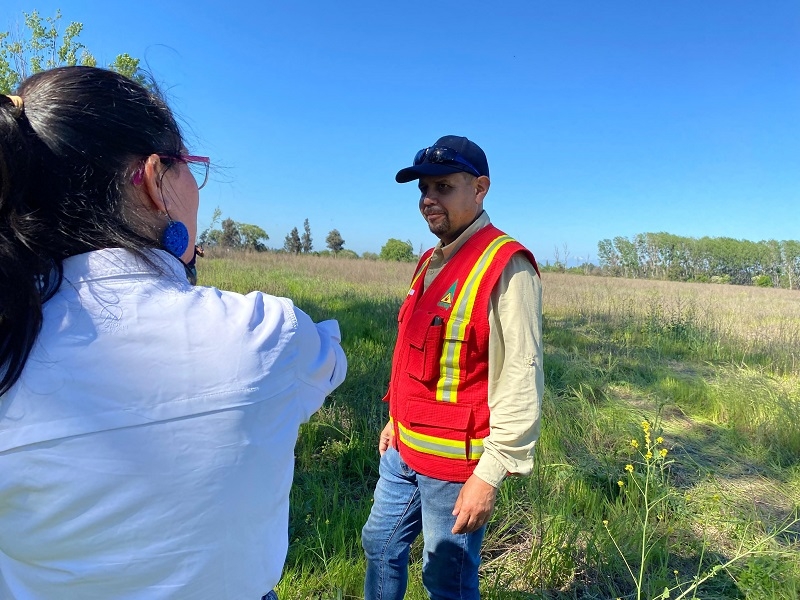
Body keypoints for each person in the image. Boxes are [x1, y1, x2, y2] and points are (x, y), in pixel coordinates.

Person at [0, 66, 346, 599]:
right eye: (191, 170)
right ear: (155, 179)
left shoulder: (13, 340)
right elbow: (329, 361)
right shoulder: (265, 334)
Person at [361, 135, 543, 599]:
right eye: (423, 189)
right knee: (378, 545)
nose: (428, 200)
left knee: (447, 579)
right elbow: (418, 356)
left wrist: (490, 472)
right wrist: (394, 419)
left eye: (443, 187)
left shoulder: (506, 264)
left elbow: (521, 374)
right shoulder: (429, 261)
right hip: (402, 449)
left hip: (456, 465)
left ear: (480, 188)